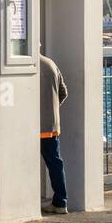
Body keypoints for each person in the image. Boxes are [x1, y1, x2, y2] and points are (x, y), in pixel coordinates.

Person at [39, 51, 69, 214]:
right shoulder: (50, 64)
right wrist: (52, 110)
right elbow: (64, 92)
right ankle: (60, 202)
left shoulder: (28, 64)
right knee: (55, 163)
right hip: (51, 125)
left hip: (30, 125)